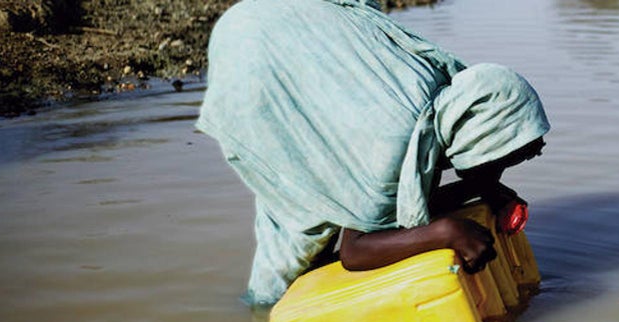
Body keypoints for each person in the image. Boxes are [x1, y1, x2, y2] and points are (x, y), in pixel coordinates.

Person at [196, 0, 550, 306]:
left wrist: (481, 190)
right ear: (479, 138)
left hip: (282, 22)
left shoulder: (450, 103)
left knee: (337, 194)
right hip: (255, 56)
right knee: (302, 219)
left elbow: (404, 206)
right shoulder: (397, 145)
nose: (499, 173)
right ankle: (262, 316)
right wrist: (445, 232)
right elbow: (355, 250)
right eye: (501, 161)